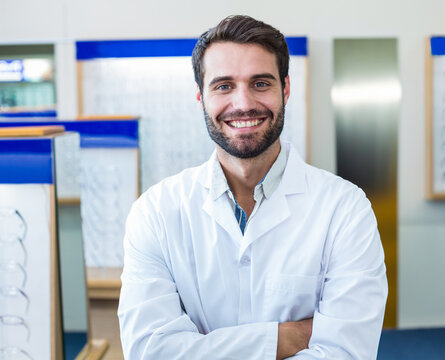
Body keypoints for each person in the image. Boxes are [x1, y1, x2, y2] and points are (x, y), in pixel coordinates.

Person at [118, 15, 387, 360]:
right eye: (224, 86)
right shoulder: (154, 211)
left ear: (285, 89)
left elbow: (347, 353)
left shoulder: (346, 209)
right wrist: (285, 338)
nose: (243, 103)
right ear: (201, 96)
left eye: (260, 83)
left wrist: (201, 347)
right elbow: (150, 352)